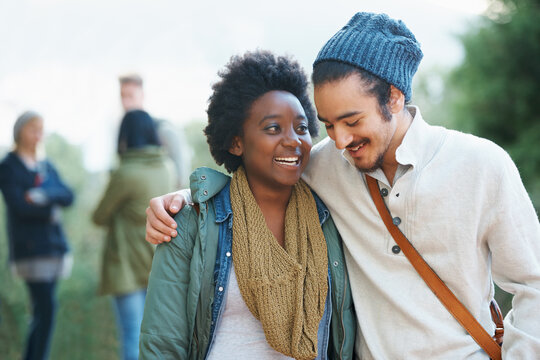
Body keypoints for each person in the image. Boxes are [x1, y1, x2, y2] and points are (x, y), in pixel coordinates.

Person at [145, 12, 540, 359]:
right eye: (328, 124)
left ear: (395, 98)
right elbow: (252, 179)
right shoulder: (323, 165)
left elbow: (533, 284)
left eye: (352, 121)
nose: (340, 140)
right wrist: (182, 200)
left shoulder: (481, 165)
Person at [139, 50, 356, 360]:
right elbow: (161, 347)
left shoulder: (329, 220)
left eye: (302, 127)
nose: (293, 140)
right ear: (236, 142)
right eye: (272, 128)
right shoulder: (189, 223)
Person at [92, 109, 176, 360]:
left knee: (132, 338)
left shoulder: (124, 173)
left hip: (125, 266)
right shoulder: (167, 168)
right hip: (158, 264)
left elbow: (99, 217)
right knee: (157, 339)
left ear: (125, 136)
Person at [0, 111, 74, 360]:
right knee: (46, 309)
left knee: (41, 314)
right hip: (30, 252)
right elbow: (19, 206)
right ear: (21, 131)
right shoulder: (8, 166)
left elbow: (67, 195)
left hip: (54, 249)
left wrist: (43, 196)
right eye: (34, 128)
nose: (38, 134)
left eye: (41, 129)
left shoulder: (45, 164)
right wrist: (50, 206)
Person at [119, 73, 191, 187]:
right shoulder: (124, 134)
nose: (126, 102)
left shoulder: (164, 130)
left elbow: (181, 177)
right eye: (122, 96)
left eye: (130, 96)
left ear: (142, 95)